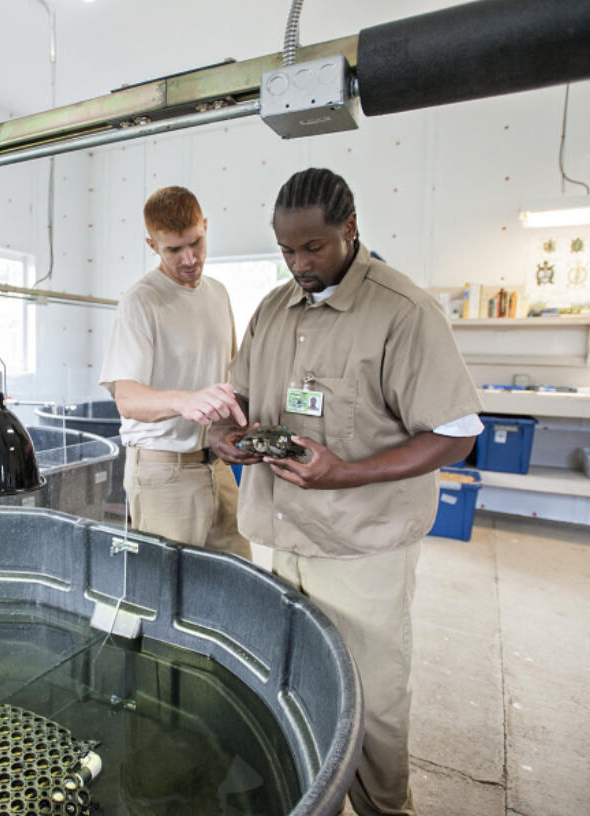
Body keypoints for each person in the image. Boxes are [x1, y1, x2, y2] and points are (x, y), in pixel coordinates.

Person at [210, 168, 484, 816]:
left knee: (373, 705)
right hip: (278, 539)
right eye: (286, 251)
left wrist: (347, 473)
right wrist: (227, 431)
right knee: (284, 685)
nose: (300, 264)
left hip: (362, 550)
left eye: (314, 248)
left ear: (350, 229)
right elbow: (242, 395)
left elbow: (457, 434)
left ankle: (386, 808)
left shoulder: (403, 312)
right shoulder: (273, 310)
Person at [99, 186, 252, 559]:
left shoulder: (218, 294)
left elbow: (230, 375)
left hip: (215, 464)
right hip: (163, 470)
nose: (188, 258)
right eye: (173, 250)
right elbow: (127, 398)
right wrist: (185, 400)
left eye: (196, 243)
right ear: (152, 245)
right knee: (170, 592)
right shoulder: (141, 300)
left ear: (205, 226)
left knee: (240, 577)